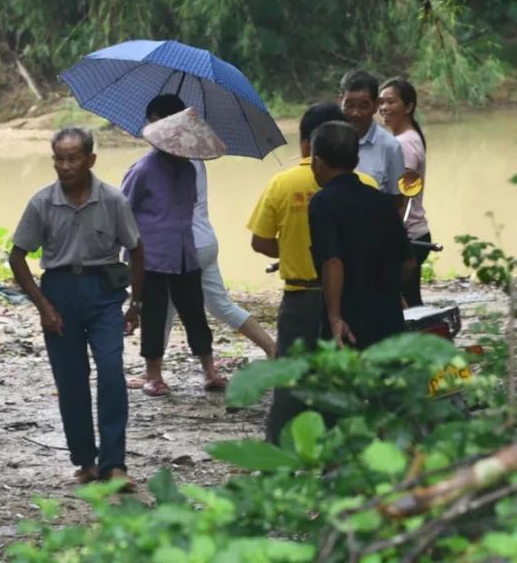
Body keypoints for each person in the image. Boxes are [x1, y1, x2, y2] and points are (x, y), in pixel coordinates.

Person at [9, 128, 144, 489]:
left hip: (104, 293)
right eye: (59, 159)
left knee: (112, 372)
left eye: (72, 158)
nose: (65, 166)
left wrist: (137, 304)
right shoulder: (42, 203)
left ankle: (115, 464)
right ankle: (86, 461)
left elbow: (137, 249)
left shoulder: (113, 200)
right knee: (70, 380)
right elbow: (18, 256)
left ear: (90, 160)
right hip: (60, 292)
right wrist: (43, 306)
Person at [248, 103, 370, 443]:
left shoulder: (281, 184)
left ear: (307, 143)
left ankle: (280, 455)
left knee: (290, 381)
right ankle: (341, 447)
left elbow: (260, 242)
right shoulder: (366, 185)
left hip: (300, 297)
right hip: (350, 299)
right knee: (342, 376)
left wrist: (289, 248)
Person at [134, 94, 275, 385]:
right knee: (214, 306)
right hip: (203, 240)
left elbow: (130, 210)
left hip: (182, 247)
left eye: (152, 122)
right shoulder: (193, 161)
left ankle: (153, 374)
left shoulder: (156, 167)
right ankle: (269, 348)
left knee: (164, 310)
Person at [121, 107, 227, 396]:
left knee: (195, 313)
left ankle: (209, 371)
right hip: (152, 257)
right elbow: (122, 210)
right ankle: (154, 376)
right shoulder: (143, 169)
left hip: (184, 253)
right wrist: (124, 253)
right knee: (153, 314)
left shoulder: (188, 170)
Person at [308, 121, 412, 350]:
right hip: (388, 318)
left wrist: (335, 317)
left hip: (349, 323)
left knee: (347, 383)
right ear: (356, 161)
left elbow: (332, 261)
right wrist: (387, 289)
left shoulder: (322, 203)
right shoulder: (382, 201)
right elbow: (408, 262)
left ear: (317, 163)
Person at [379, 77, 432, 307]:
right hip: (413, 234)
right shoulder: (406, 139)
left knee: (402, 305)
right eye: (381, 102)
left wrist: (391, 236)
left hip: (407, 235)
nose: (384, 107)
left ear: (408, 107)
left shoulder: (404, 144)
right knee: (410, 303)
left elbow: (402, 196)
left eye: (391, 102)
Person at [339, 69, 405, 197]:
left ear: (376, 105)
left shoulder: (390, 147)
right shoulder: (327, 141)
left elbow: (398, 200)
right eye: (350, 105)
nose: (356, 113)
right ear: (340, 101)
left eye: (363, 106)